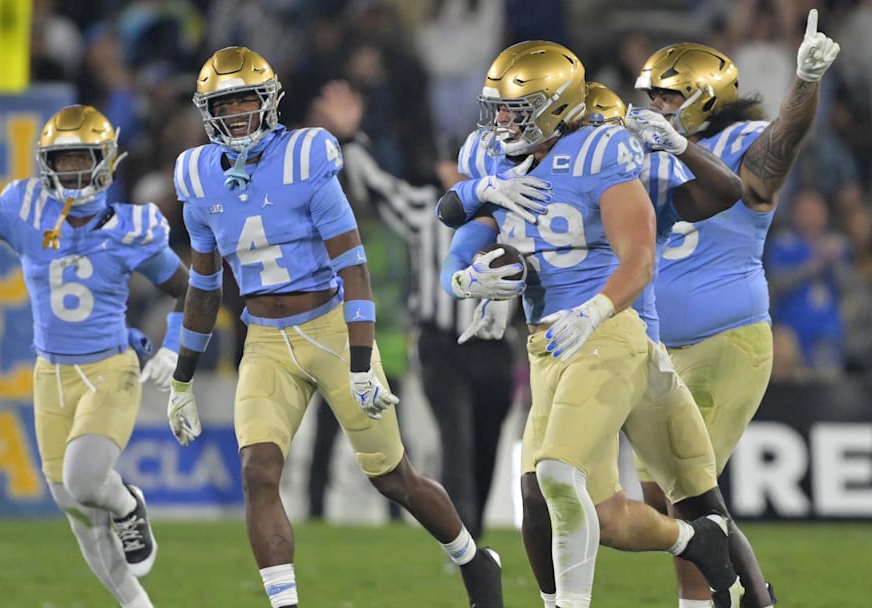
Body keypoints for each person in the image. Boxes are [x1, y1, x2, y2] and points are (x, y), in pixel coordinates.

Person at [163, 46, 503, 608]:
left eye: (248, 97)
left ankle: (473, 560)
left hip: (329, 328)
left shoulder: (305, 156)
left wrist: (362, 359)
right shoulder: (197, 176)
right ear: (207, 110)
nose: (239, 111)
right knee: (258, 471)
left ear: (269, 102)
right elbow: (204, 286)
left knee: (394, 479)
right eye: (226, 101)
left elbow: (353, 265)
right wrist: (182, 378)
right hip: (266, 341)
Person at [437, 40, 743, 608]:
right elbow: (462, 236)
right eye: (497, 107)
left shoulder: (602, 151)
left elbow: (640, 255)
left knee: (557, 473)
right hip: (544, 344)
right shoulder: (491, 160)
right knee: (583, 508)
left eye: (515, 107)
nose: (501, 120)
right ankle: (692, 540)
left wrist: (594, 310)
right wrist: (463, 282)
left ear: (556, 107)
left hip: (609, 330)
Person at [0, 105, 190, 608]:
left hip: (110, 367)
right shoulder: (26, 209)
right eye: (60, 160)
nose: (69, 170)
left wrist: (174, 347)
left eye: (80, 157)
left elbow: (187, 291)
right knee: (78, 512)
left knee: (87, 479)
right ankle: (137, 604)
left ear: (106, 160)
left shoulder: (134, 227)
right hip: (50, 373)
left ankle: (128, 503)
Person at [635, 9, 840, 606]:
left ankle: (720, 600)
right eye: (651, 94)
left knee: (687, 496)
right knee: (667, 502)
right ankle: (755, 594)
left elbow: (783, 143)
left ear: (704, 99)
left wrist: (804, 83)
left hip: (725, 342)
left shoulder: (738, 143)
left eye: (668, 96)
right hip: (658, 347)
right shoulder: (647, 148)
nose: (656, 105)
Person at [310, 79, 517, 542]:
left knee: (486, 446)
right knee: (457, 442)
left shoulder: (514, 211)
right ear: (443, 169)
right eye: (454, 165)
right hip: (442, 345)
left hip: (497, 347)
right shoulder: (427, 209)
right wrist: (349, 138)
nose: (459, 174)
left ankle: (474, 534)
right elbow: (378, 185)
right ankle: (464, 543)